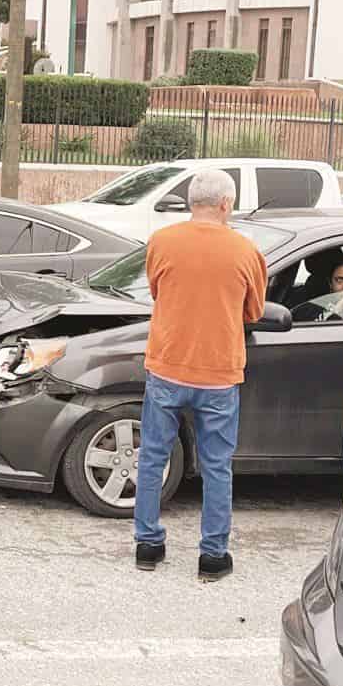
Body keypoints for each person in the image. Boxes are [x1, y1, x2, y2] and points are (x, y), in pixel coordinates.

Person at [135, 168, 267, 582]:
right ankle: (213, 555)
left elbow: (158, 291)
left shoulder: (161, 242)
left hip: (167, 365)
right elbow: (254, 311)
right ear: (226, 204)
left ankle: (148, 545)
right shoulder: (246, 251)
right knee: (216, 466)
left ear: (192, 202)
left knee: (153, 458)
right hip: (219, 373)